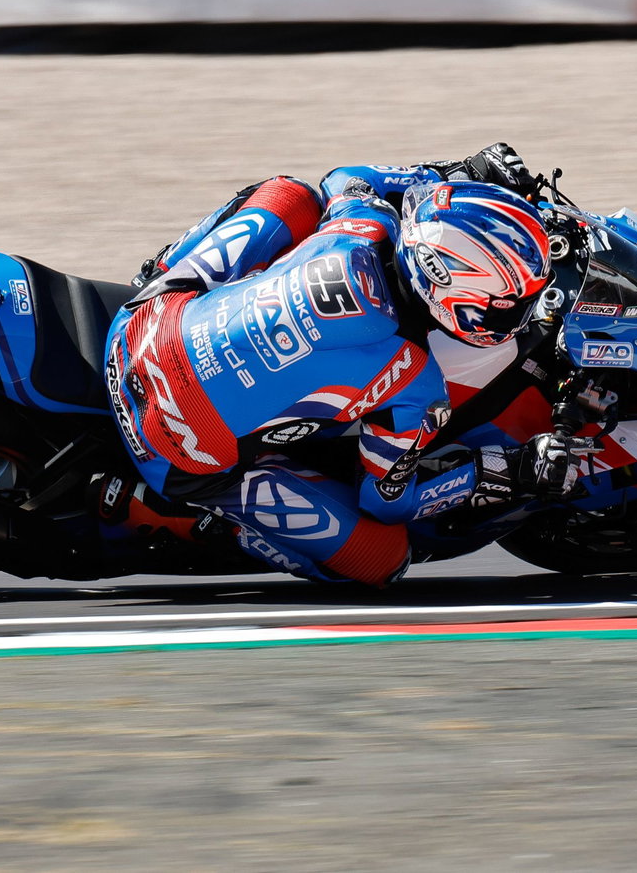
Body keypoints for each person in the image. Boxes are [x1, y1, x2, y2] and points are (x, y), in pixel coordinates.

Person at [98, 144, 595, 586]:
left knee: (290, 194)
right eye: (510, 302)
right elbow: (387, 501)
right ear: (452, 296)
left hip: (138, 327)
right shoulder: (413, 379)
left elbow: (345, 177)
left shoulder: (364, 225)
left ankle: (164, 268)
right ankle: (194, 519)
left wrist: (460, 169)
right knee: (382, 559)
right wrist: (510, 469)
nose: (523, 309)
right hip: (176, 450)